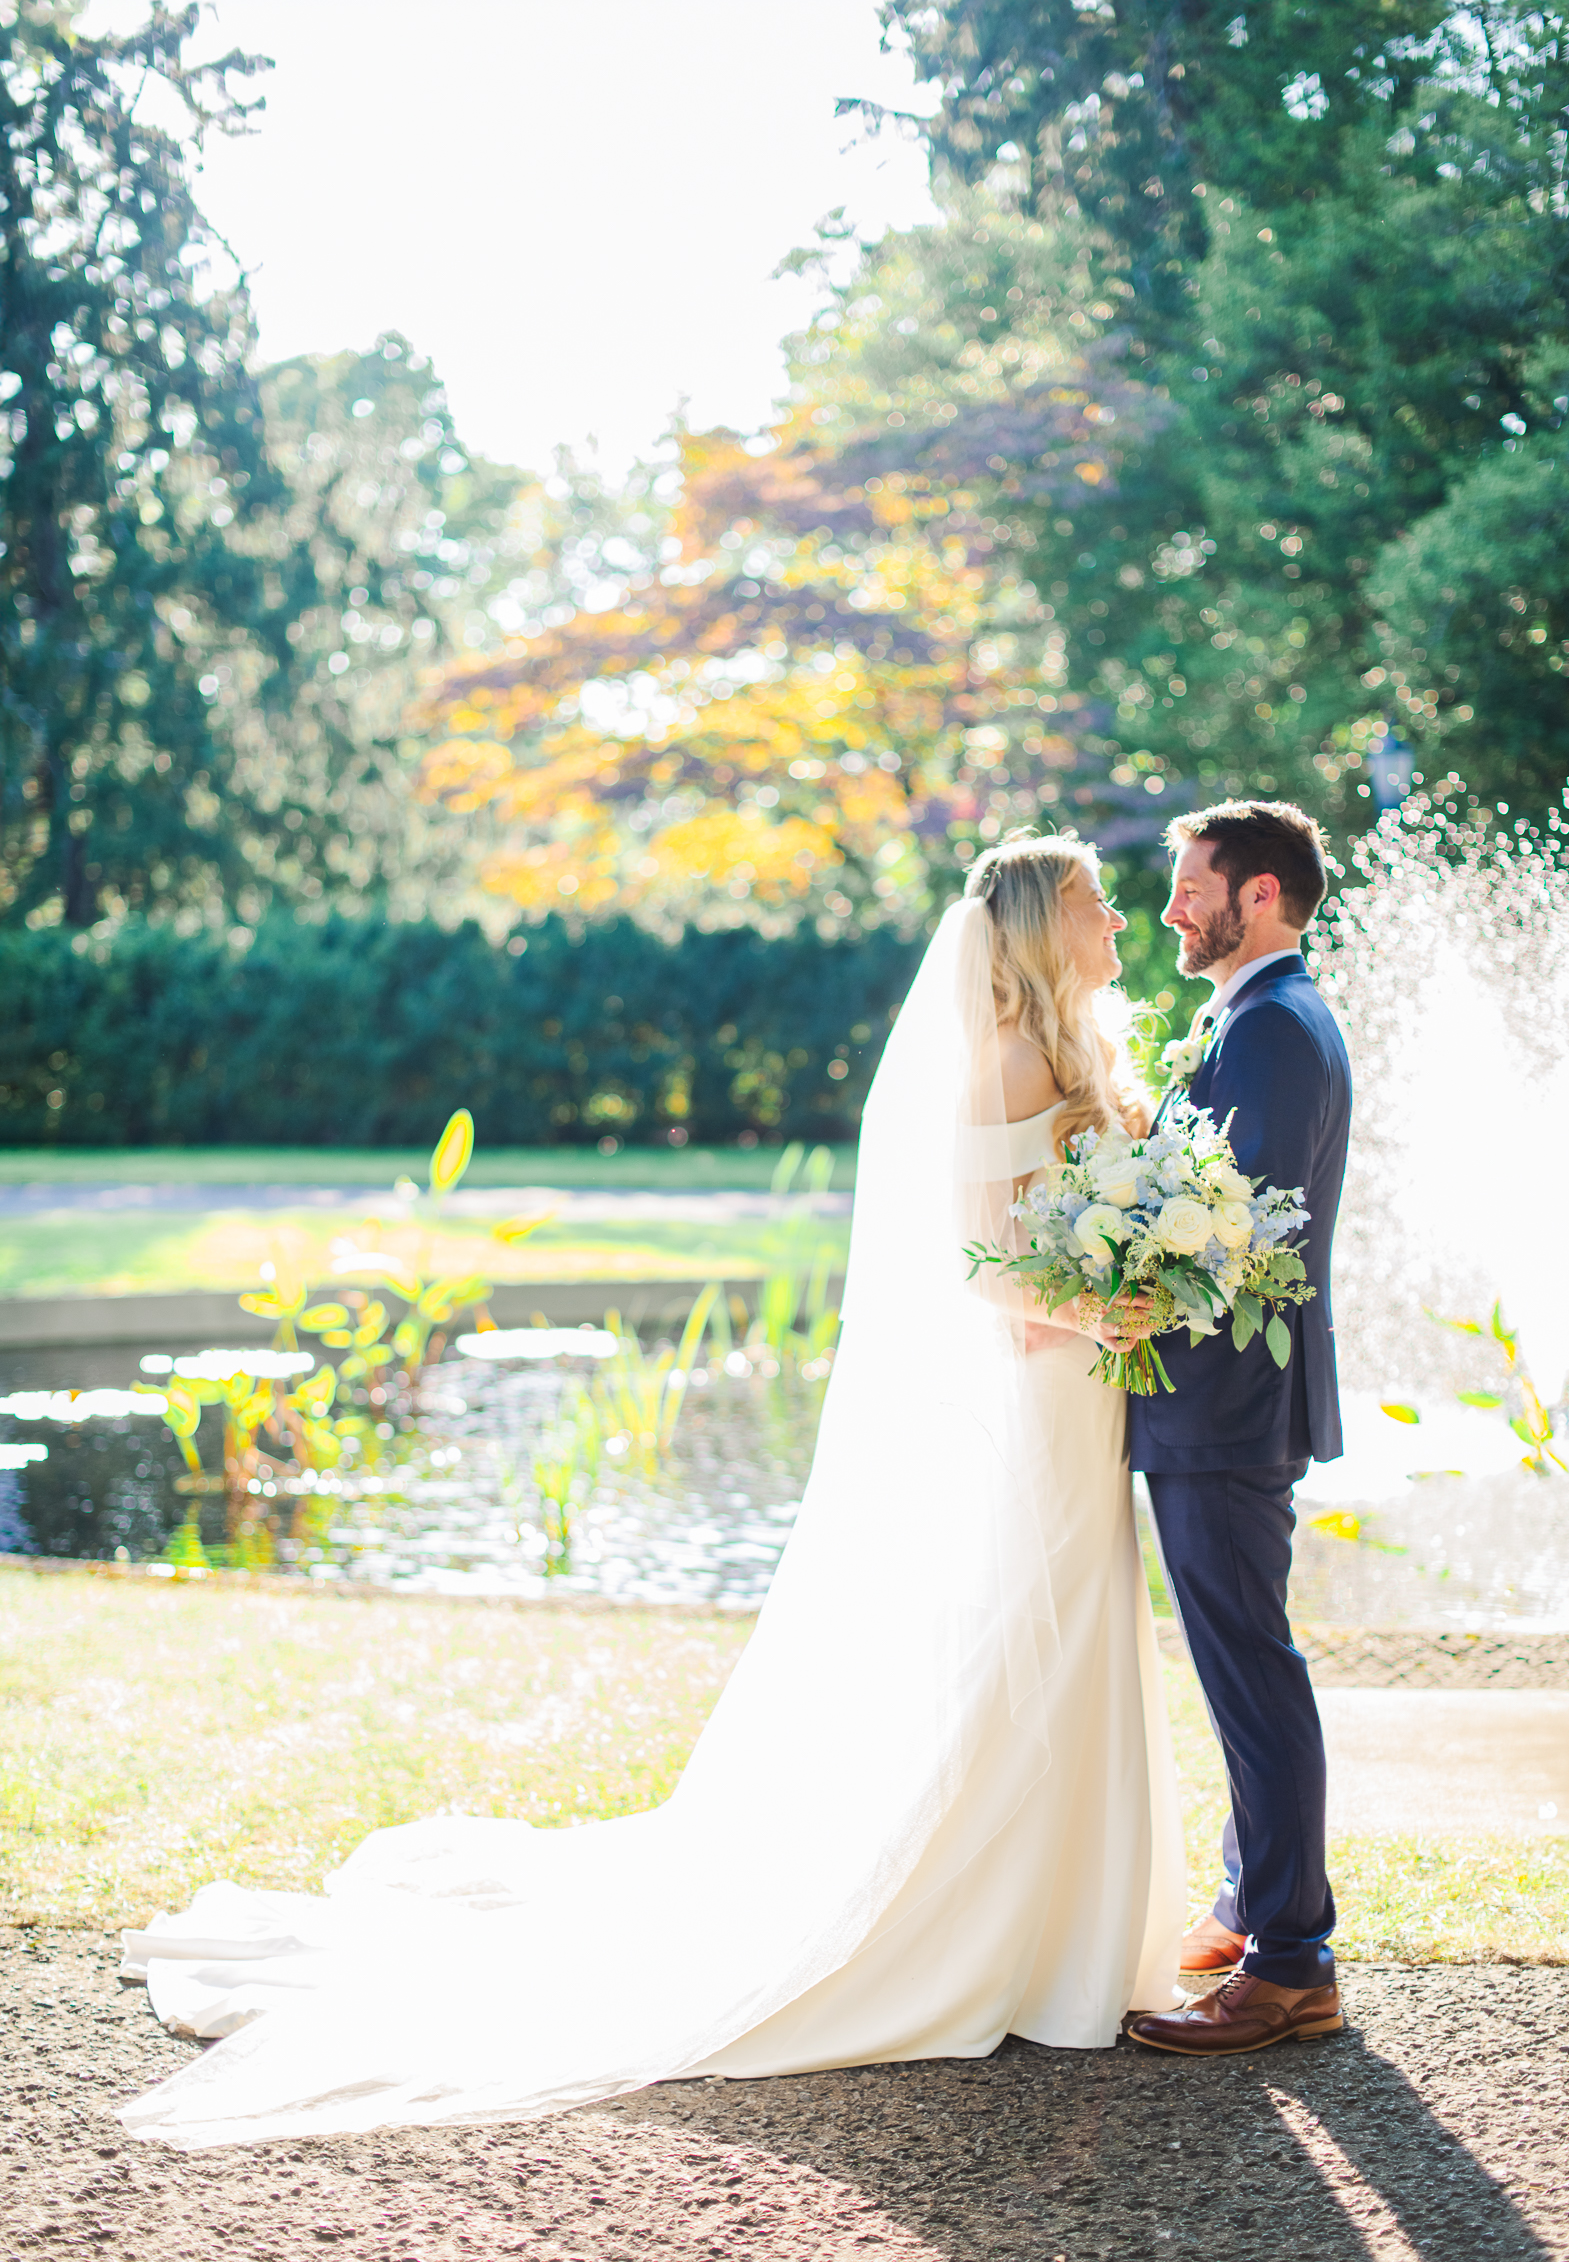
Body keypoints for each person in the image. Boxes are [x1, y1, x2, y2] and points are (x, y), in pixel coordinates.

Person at [118, 834, 1186, 2149]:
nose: (1116, 917)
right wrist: (1095, 1308)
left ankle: (1073, 1930)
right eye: (1094, 901)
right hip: (1045, 1392)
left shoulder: (1075, 1049)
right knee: (1029, 1635)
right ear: (1036, 925)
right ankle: (999, 1933)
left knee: (1077, 1632)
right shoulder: (1004, 1061)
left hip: (1083, 1392)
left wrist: (1132, 1275)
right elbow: (977, 1266)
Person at [1125, 801, 1352, 2058]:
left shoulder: (1269, 1028)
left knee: (1251, 1672)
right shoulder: (1252, 1015)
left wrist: (1114, 1279)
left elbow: (1241, 1228)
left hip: (1226, 1403)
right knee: (1238, 1664)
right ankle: (1245, 1902)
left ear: (1258, 894)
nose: (1172, 909)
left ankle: (1290, 1964)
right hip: (1217, 1401)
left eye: (1190, 887)